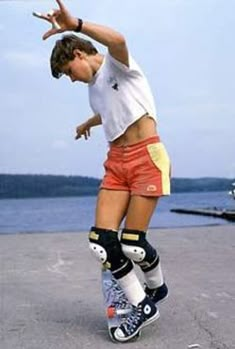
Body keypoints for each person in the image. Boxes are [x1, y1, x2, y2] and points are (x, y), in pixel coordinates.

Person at [36, 0, 171, 342]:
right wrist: (88, 122)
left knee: (133, 246)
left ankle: (156, 287)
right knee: (102, 243)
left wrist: (76, 24)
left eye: (68, 71)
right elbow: (108, 109)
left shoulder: (118, 64)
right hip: (116, 162)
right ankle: (144, 306)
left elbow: (119, 39)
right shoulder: (93, 92)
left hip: (146, 157)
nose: (70, 79)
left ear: (79, 54)